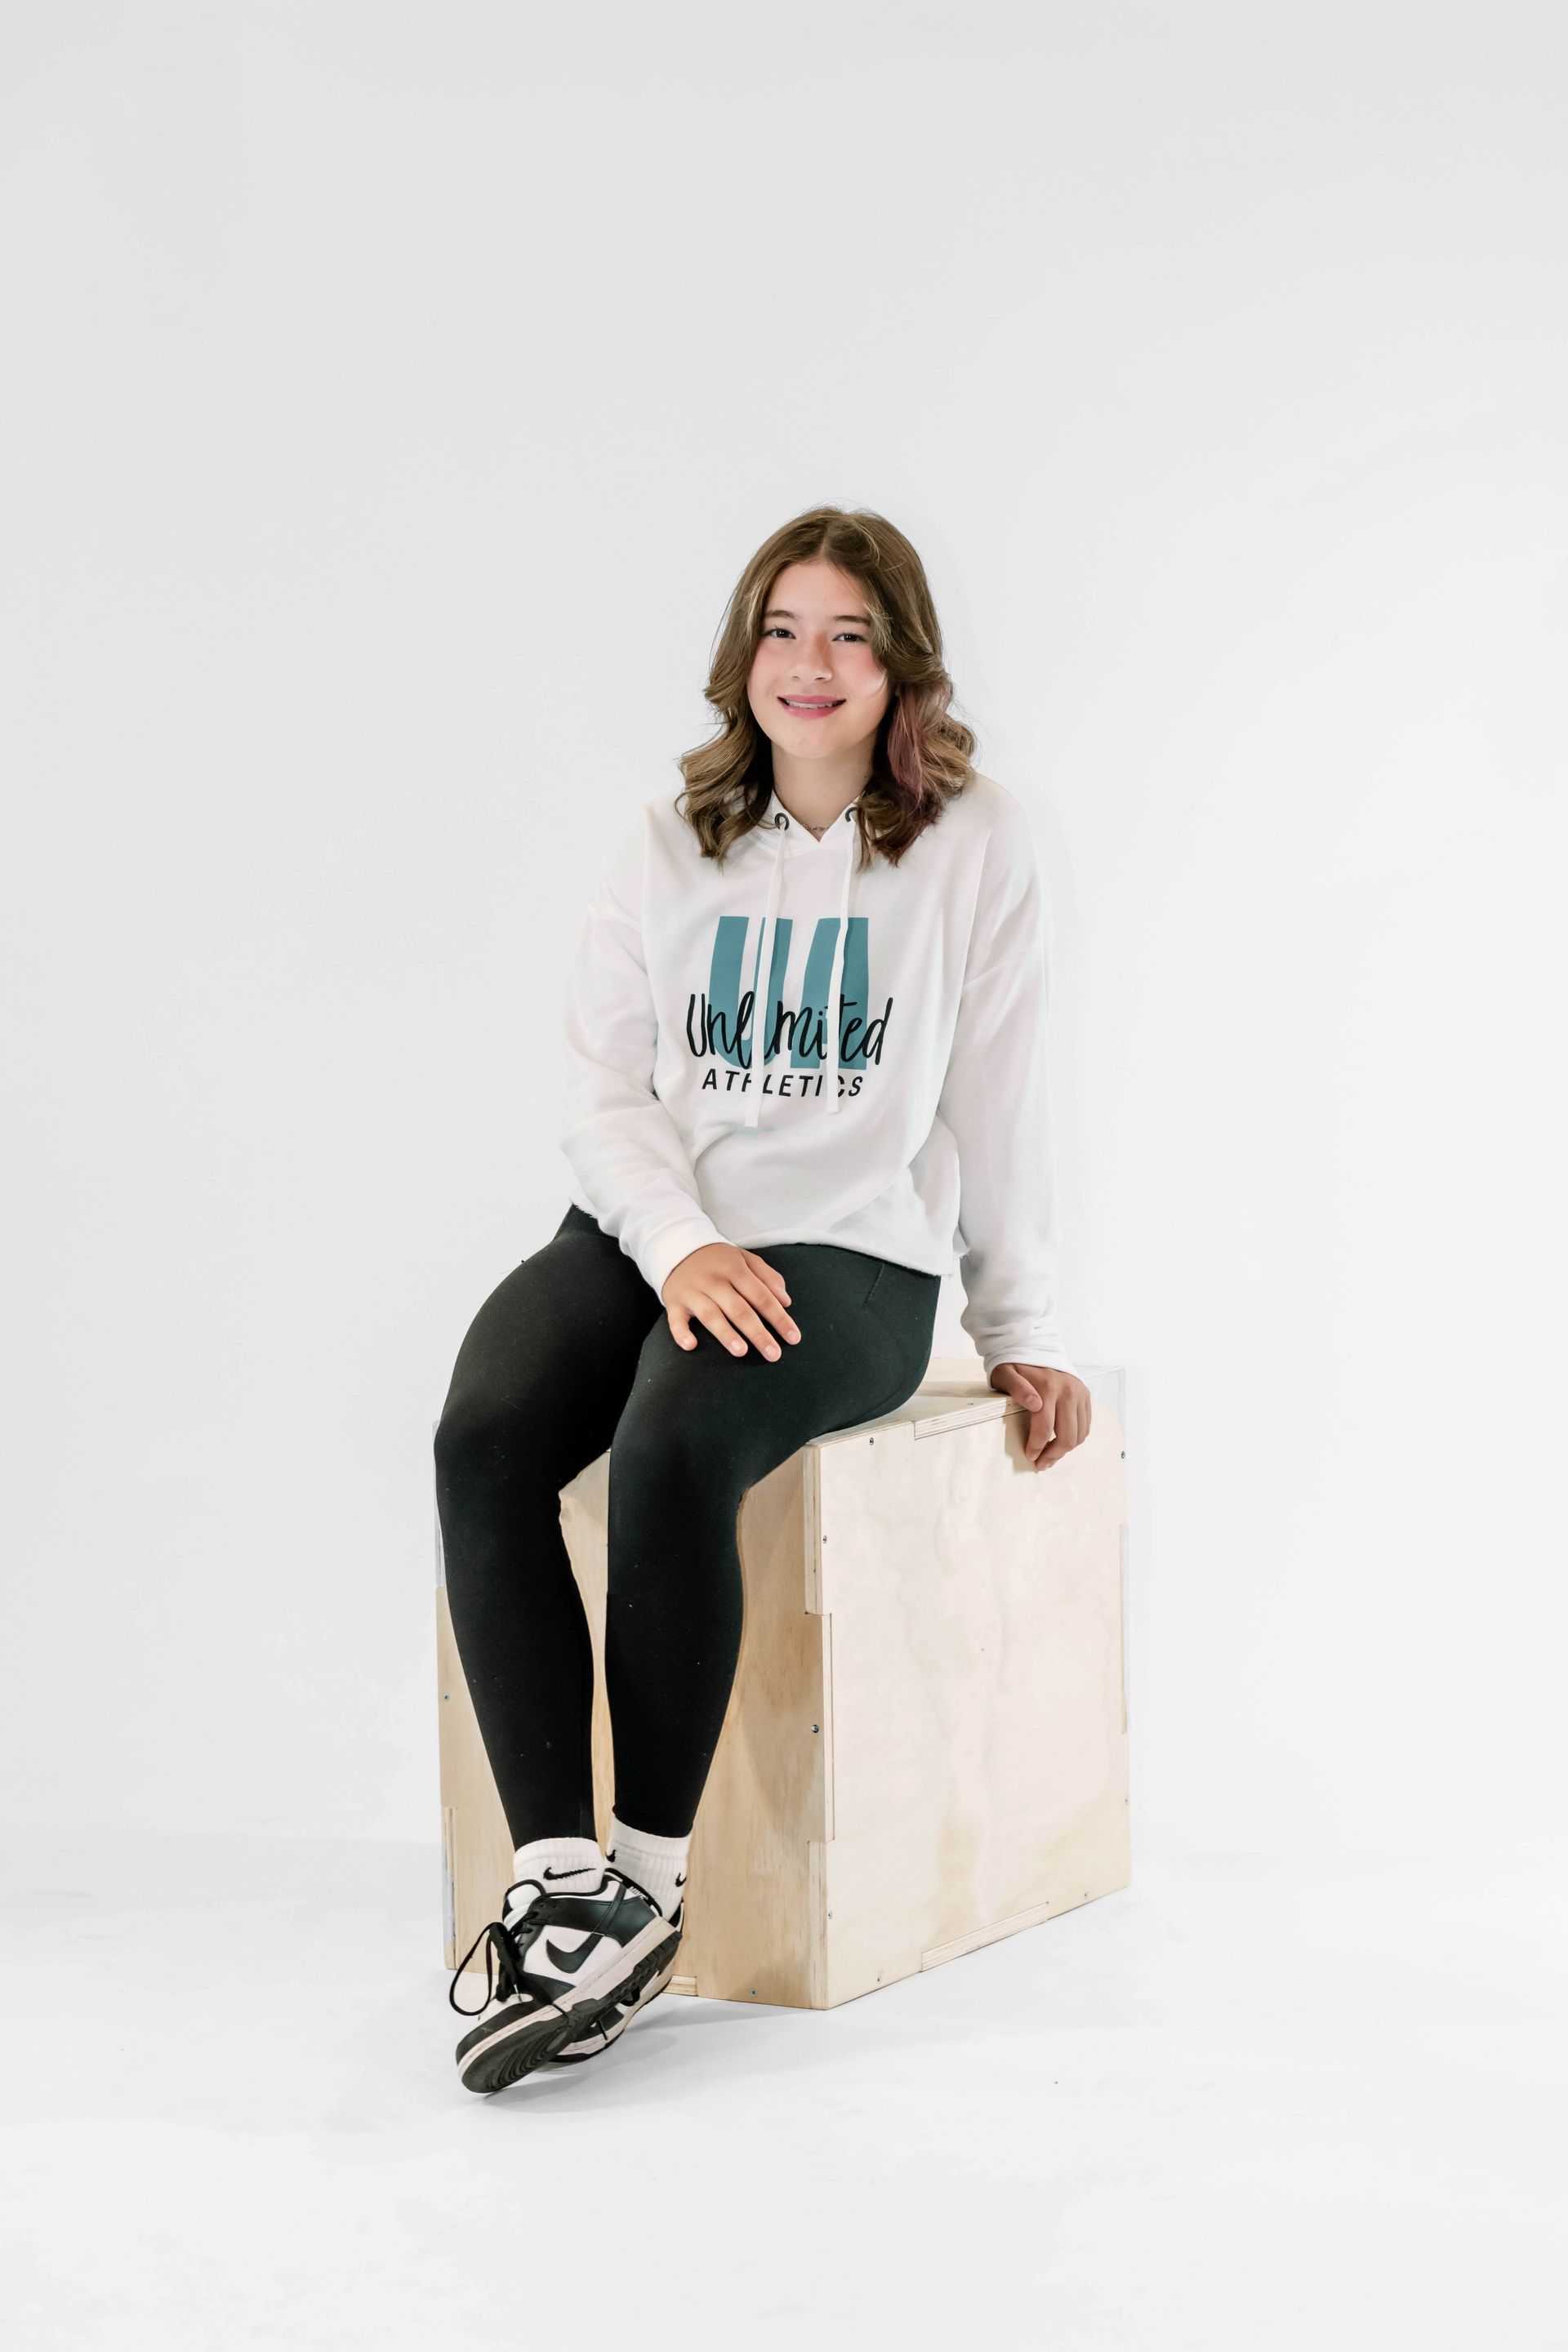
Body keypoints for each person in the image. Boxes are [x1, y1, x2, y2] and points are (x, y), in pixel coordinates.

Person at [434, 505, 1092, 2094]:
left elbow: (1004, 1101)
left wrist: (1022, 1331)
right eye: (784, 629)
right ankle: (554, 1881)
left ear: (900, 664)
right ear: (743, 654)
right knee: (488, 1431)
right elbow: (602, 1092)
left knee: (673, 1444)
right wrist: (676, 1248)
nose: (811, 664)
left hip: (853, 1250)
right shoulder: (668, 838)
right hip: (655, 1226)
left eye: (851, 634)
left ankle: (646, 1896)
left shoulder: (976, 841)